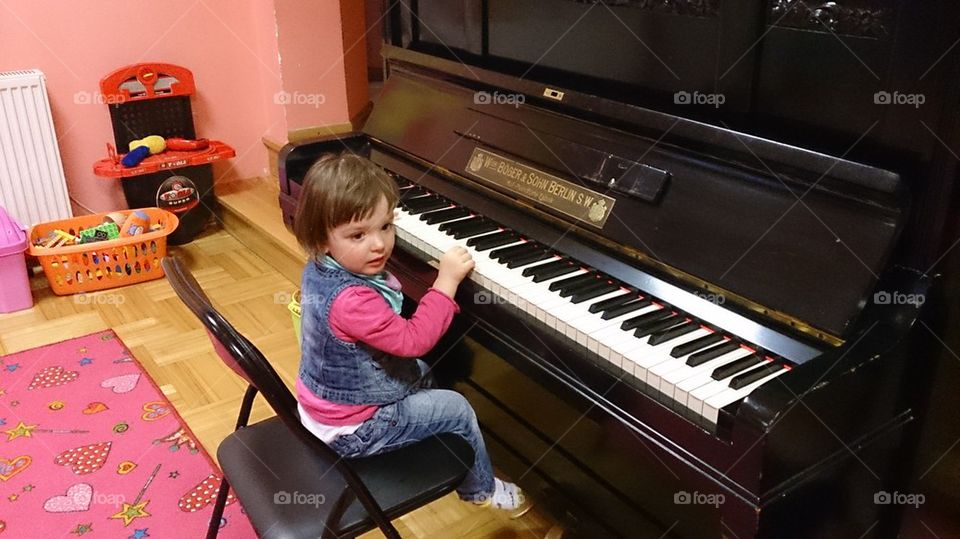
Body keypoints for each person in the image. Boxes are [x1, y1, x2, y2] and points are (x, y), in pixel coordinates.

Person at [292, 152, 530, 515]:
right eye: (358, 234)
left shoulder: (322, 268)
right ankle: (481, 488)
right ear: (322, 239)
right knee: (459, 408)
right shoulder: (352, 300)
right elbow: (414, 341)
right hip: (355, 429)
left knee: (425, 370)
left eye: (385, 226)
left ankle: (432, 431)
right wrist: (446, 282)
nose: (379, 244)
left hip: (325, 407)